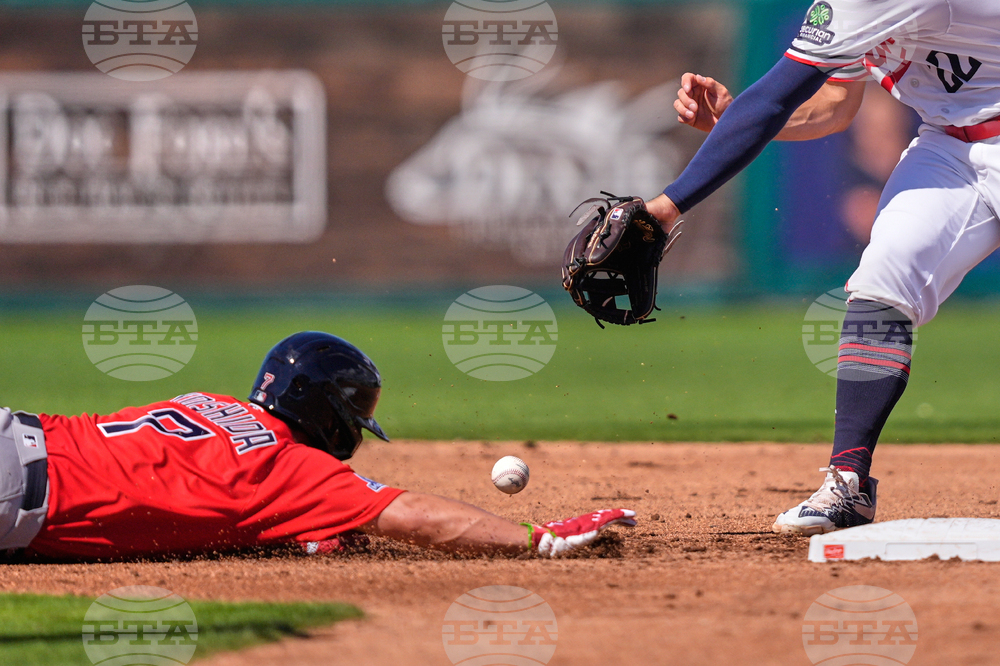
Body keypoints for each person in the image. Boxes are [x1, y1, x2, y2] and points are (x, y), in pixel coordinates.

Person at [643, 0, 1000, 535]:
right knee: (883, 282)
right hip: (948, 145)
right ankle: (848, 484)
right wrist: (736, 118)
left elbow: (778, 94)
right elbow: (835, 104)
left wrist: (664, 211)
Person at [0, 331, 634, 560]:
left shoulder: (202, 403)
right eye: (354, 407)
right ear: (319, 403)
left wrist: (293, 532)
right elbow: (410, 515)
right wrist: (533, 538)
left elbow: (191, 492)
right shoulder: (289, 465)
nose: (356, 426)